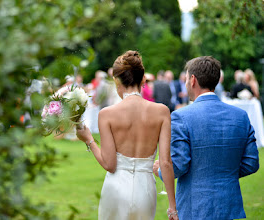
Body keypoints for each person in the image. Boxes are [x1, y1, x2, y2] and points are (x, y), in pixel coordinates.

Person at [153, 56, 259, 220]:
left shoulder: (181, 117)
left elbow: (179, 165)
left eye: (187, 79)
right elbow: (251, 163)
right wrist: (224, 173)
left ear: (193, 80)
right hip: (228, 205)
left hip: (195, 207)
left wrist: (160, 170)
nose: (186, 83)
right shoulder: (241, 116)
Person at [76, 51, 178, 220]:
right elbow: (166, 162)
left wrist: (89, 140)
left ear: (117, 81)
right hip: (145, 190)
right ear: (143, 79)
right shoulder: (162, 112)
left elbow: (110, 164)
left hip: (115, 188)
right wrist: (172, 207)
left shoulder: (107, 114)